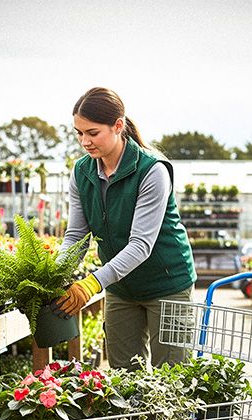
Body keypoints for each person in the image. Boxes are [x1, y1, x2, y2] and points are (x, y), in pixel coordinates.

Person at [54, 86, 196, 370]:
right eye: (79, 133)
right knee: (124, 377)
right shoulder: (82, 172)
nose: (84, 141)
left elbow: (141, 245)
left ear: (118, 126)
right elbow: (76, 236)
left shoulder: (152, 170)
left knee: (172, 376)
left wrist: (92, 283)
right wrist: (55, 274)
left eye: (92, 133)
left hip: (166, 283)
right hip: (121, 288)